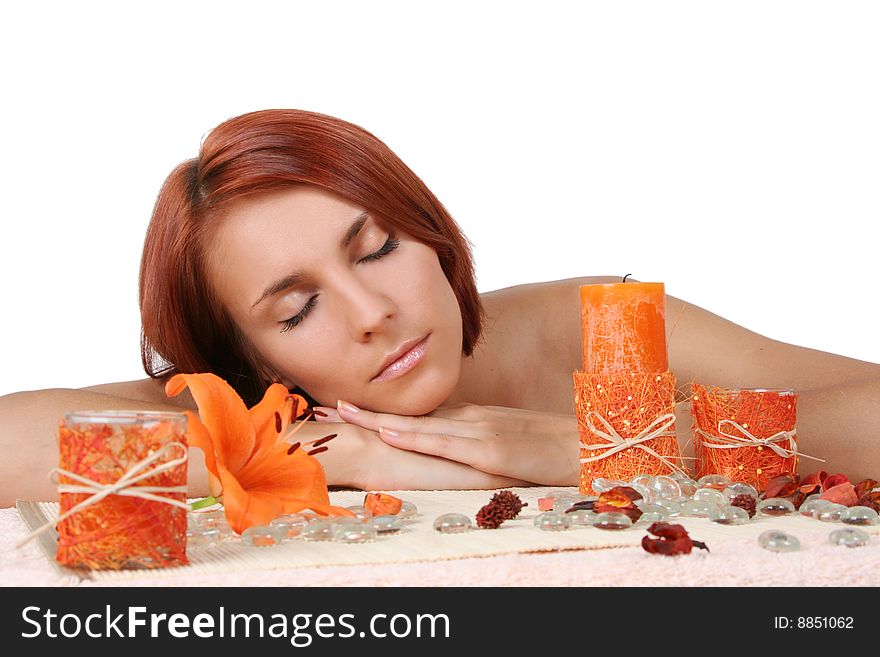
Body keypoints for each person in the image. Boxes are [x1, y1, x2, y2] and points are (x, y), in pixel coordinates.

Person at [2, 109, 878, 507]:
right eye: (299, 307)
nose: (372, 310)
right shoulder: (268, 408)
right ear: (256, 364)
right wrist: (340, 454)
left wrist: (626, 442)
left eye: (378, 247)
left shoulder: (590, 328)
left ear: (433, 235)